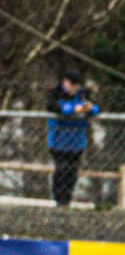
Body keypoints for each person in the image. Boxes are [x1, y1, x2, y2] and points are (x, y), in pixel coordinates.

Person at [45, 72, 100, 208]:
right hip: (58, 140)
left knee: (72, 171)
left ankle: (67, 198)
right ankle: (59, 199)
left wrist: (89, 109)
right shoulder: (55, 93)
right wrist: (72, 109)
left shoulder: (83, 94)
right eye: (72, 85)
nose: (75, 88)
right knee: (61, 169)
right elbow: (52, 107)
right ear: (66, 82)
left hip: (77, 140)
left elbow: (95, 108)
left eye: (77, 85)